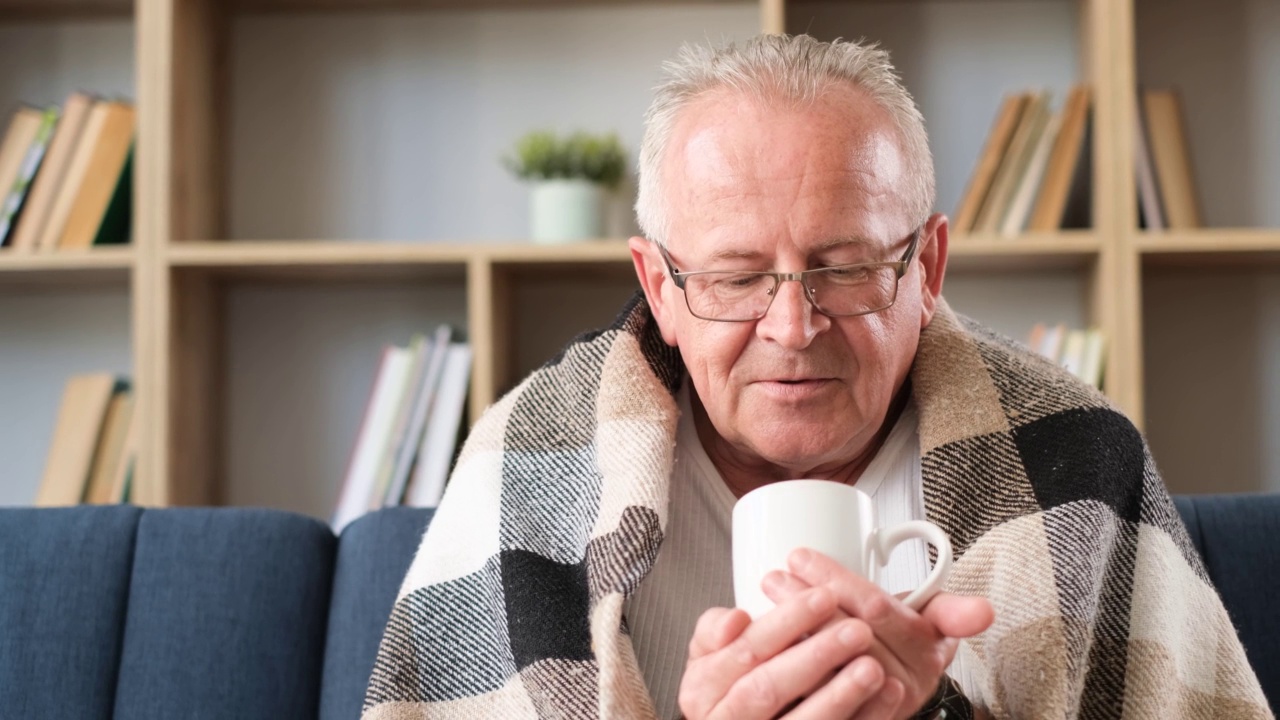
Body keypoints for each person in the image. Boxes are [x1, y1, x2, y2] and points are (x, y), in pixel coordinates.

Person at [361, 34, 1271, 720]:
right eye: (733, 277)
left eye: (843, 267)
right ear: (658, 286)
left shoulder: (1078, 456)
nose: (793, 329)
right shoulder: (526, 460)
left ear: (927, 268)